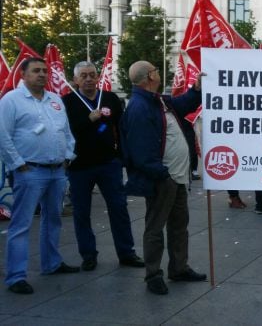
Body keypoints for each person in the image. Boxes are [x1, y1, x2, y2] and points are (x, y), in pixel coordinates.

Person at [121, 60, 207, 295]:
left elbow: (183, 104)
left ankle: (179, 268)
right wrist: (162, 175)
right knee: (155, 227)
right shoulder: (140, 106)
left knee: (180, 226)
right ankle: (153, 275)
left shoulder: (158, 101)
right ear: (150, 76)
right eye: (156, 70)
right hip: (163, 179)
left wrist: (197, 89)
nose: (159, 73)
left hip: (177, 178)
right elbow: (140, 152)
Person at [0, 58, 80, 294]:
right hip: (30, 172)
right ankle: (16, 276)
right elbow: (3, 136)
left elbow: (65, 131)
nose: (42, 75)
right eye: (36, 71)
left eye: (45, 71)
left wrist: (68, 156)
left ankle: (52, 263)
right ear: (23, 74)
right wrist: (18, 164)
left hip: (57, 171)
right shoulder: (11, 100)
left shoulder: (54, 100)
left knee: (53, 219)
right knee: (21, 225)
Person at [62, 61, 144, 271]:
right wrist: (88, 120)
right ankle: (88, 255)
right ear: (75, 80)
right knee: (82, 212)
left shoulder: (110, 98)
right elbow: (66, 131)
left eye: (92, 74)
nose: (88, 79)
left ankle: (127, 252)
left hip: (109, 163)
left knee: (119, 208)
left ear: (98, 77)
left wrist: (122, 156)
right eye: (83, 76)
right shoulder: (67, 101)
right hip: (79, 166)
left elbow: (120, 126)